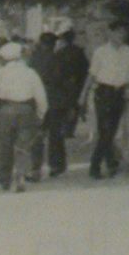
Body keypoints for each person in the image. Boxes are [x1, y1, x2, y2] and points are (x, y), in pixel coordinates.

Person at [0, 41, 48, 193]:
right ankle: (20, 175)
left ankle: (4, 179)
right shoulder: (30, 72)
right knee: (23, 146)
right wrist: (41, 113)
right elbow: (40, 95)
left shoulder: (1, 72)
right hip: (26, 110)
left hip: (6, 110)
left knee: (5, 146)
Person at [80, 19, 129, 179]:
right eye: (117, 32)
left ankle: (111, 163)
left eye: (123, 33)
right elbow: (92, 74)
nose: (121, 36)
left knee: (111, 130)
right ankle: (95, 166)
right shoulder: (101, 52)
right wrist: (83, 94)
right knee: (105, 130)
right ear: (110, 33)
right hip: (104, 91)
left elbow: (126, 73)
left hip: (119, 92)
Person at [42, 26, 89, 177]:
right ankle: (69, 128)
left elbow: (52, 78)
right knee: (65, 121)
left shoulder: (58, 55)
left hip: (57, 97)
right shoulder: (80, 53)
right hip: (73, 94)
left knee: (54, 132)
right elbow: (85, 74)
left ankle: (57, 164)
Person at [25, 30, 57, 181]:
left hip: (34, 98)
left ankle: (35, 168)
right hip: (51, 98)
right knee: (51, 134)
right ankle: (53, 164)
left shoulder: (33, 58)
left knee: (37, 134)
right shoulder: (54, 57)